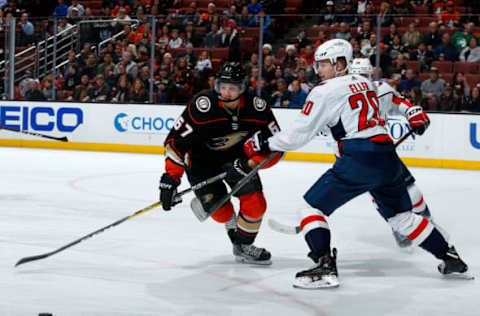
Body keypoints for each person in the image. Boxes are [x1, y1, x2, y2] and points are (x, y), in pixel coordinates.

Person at [243, 39, 470, 289]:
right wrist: (413, 112)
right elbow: (392, 99)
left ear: (340, 64)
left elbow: (297, 135)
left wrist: (264, 142)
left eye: (323, 64)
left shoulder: (324, 91)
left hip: (358, 158)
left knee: (310, 209)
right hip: (387, 156)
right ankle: (450, 257)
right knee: (402, 218)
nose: (318, 70)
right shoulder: (367, 84)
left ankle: (324, 266)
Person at [159, 62, 283, 265]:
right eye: (222, 87)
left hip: (238, 162)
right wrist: (170, 178)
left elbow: (278, 146)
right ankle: (225, 217)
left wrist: (252, 163)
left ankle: (243, 246)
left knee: (256, 206)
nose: (226, 93)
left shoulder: (257, 108)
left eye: (232, 88)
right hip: (201, 164)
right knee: (221, 212)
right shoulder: (202, 106)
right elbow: (176, 142)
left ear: (243, 88)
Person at [349, 58, 448, 247]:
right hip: (357, 156)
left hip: (382, 151)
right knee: (379, 195)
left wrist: (414, 114)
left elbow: (402, 104)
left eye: (364, 75)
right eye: (357, 76)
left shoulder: (382, 90)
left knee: (410, 188)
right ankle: (397, 225)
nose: (361, 80)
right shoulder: (340, 95)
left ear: (371, 75)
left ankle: (426, 220)